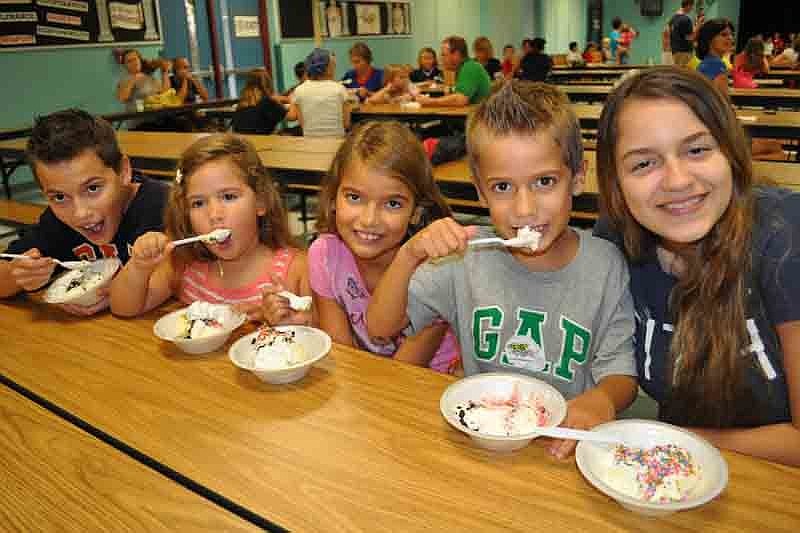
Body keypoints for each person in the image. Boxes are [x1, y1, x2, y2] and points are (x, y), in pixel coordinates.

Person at [367, 82, 638, 459]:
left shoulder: (605, 265)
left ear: (577, 177)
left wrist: (603, 398)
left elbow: (621, 373)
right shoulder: (464, 257)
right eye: (503, 187)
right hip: (481, 441)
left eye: (544, 182)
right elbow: (380, 329)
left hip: (562, 448)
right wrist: (409, 254)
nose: (525, 209)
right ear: (480, 192)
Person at [594, 66, 800, 466]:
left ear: (730, 151)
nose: (676, 180)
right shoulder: (615, 241)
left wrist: (671, 439)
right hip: (680, 478)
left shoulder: (787, 238)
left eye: (697, 149)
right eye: (643, 164)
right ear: (616, 183)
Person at [110, 134, 310, 325]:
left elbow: (325, 339)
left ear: (260, 202)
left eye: (229, 197)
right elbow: (123, 308)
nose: (214, 214)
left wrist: (287, 322)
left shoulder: (295, 271)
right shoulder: (183, 266)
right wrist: (139, 267)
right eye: (198, 203)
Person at [309, 121, 460, 374]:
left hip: (430, 386)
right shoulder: (324, 255)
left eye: (392, 203)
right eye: (354, 197)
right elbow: (340, 353)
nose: (369, 220)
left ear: (416, 211)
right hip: (364, 381)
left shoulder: (436, 267)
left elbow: (404, 371)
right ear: (334, 197)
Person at [0, 109, 169, 315]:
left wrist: (122, 291)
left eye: (92, 188)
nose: (80, 213)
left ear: (124, 171)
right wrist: (17, 276)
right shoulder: (57, 221)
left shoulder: (163, 207)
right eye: (59, 197)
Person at [290, 48, 350, 138]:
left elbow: (302, 124)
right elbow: (346, 124)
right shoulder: (340, 89)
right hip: (336, 144)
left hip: (310, 143)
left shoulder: (298, 90)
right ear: (328, 69)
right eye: (333, 65)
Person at [417, 36, 490, 107]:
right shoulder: (463, 68)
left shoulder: (470, 67)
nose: (440, 58)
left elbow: (460, 100)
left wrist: (430, 101)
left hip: (480, 117)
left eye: (443, 55)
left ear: (456, 55)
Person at [116, 49, 171, 129]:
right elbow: (122, 97)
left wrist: (165, 72)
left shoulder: (149, 77)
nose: (134, 63)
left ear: (140, 60)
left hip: (156, 119)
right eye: (129, 61)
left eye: (135, 59)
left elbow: (165, 92)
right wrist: (134, 79)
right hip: (139, 124)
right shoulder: (124, 81)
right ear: (125, 65)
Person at [232, 68, 296, 135]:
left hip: (244, 143)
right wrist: (293, 99)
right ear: (267, 83)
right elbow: (292, 117)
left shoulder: (242, 103)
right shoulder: (267, 103)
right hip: (261, 143)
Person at [696, 18, 735, 96]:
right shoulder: (717, 64)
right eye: (724, 35)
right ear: (709, 39)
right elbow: (722, 100)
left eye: (732, 34)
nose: (730, 38)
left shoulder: (705, 63)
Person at [669, 0, 696, 67]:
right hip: (684, 53)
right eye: (692, 6)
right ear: (688, 6)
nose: (692, 9)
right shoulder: (686, 19)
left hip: (675, 52)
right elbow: (690, 37)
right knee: (684, 75)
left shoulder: (673, 19)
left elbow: (669, 32)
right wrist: (699, 26)